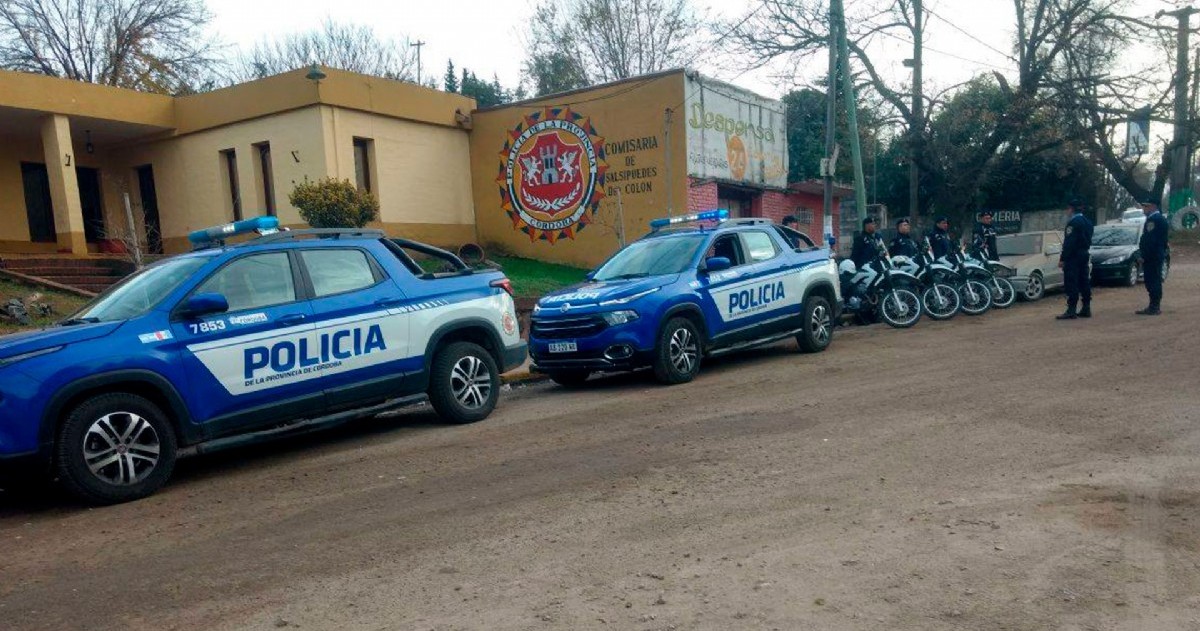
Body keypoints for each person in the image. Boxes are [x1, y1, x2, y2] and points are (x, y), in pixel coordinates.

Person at [1057, 199, 1094, 320]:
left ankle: (1071, 309)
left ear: (1071, 209)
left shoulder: (1073, 223)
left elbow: (1069, 243)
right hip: (1084, 253)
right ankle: (1086, 307)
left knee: (1071, 281)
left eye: (1068, 209)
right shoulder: (1088, 222)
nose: (1067, 211)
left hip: (1073, 256)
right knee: (1084, 281)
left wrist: (1063, 258)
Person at [1136, 198, 1169, 315]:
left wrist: (1144, 255)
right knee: (1153, 280)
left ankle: (1154, 306)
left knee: (1152, 280)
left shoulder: (1154, 220)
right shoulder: (1159, 219)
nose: (1144, 209)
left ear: (1153, 206)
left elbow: (1150, 240)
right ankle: (1154, 305)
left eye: (1146, 206)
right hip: (1156, 254)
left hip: (1152, 255)